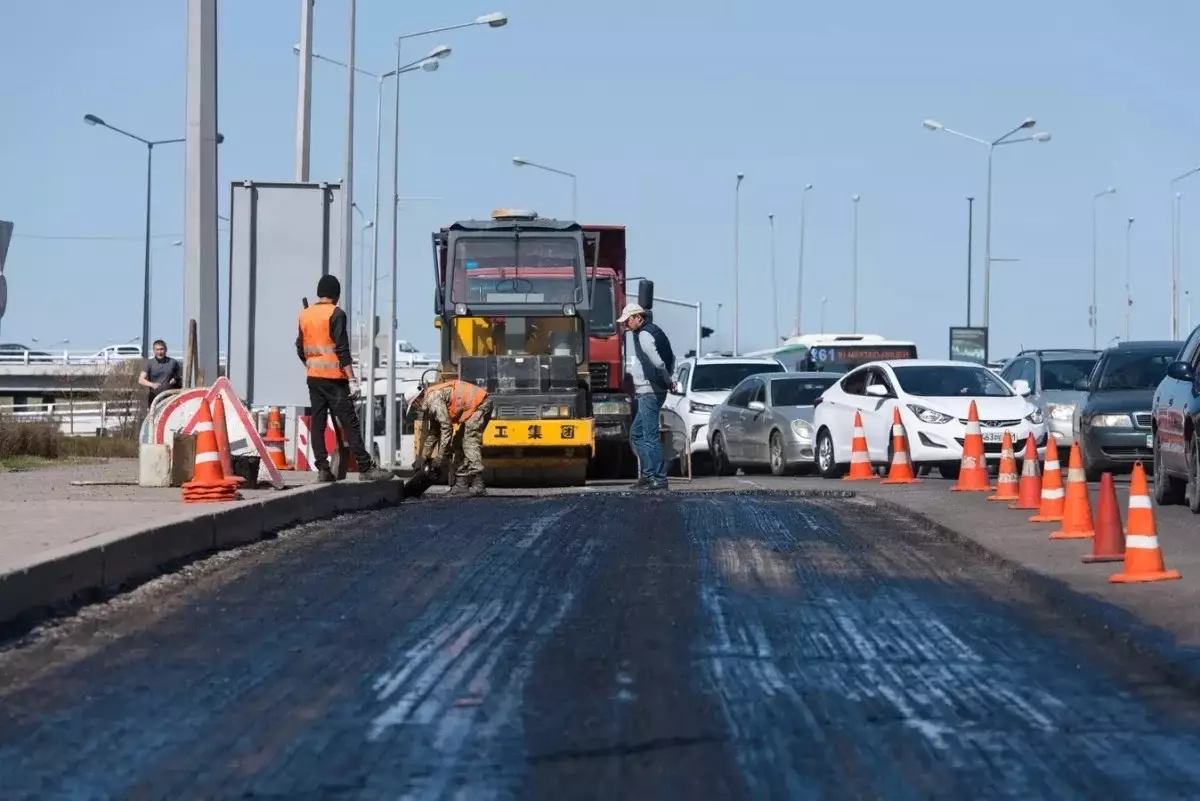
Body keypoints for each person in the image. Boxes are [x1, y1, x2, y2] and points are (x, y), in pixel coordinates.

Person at [296, 275, 392, 483]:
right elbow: (342, 349)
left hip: (313, 378)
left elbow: (299, 347)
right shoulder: (336, 314)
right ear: (336, 295)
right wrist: (352, 379)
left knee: (318, 423)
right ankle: (366, 468)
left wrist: (312, 364)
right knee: (350, 423)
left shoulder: (305, 315)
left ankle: (323, 469)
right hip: (335, 380)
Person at [619, 302, 675, 490]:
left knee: (650, 436)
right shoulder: (654, 331)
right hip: (651, 390)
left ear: (638, 318)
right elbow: (670, 357)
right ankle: (648, 474)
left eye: (627, 321)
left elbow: (658, 363)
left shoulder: (644, 335)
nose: (626, 325)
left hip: (649, 391)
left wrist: (668, 381)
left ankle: (658, 478)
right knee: (636, 433)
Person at [410, 378, 494, 496]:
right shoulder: (431, 404)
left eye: (413, 406)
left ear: (416, 401)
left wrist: (439, 457)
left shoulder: (433, 400)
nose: (415, 409)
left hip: (481, 403)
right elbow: (434, 433)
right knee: (457, 443)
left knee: (469, 441)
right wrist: (423, 457)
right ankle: (461, 484)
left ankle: (478, 484)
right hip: (473, 408)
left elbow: (446, 427)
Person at [138, 339, 182, 409]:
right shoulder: (149, 363)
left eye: (161, 349)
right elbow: (141, 380)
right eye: (157, 350)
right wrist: (152, 385)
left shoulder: (173, 362)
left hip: (170, 398)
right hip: (155, 399)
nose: (160, 352)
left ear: (166, 350)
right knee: (155, 419)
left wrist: (175, 379)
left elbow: (179, 377)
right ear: (154, 350)